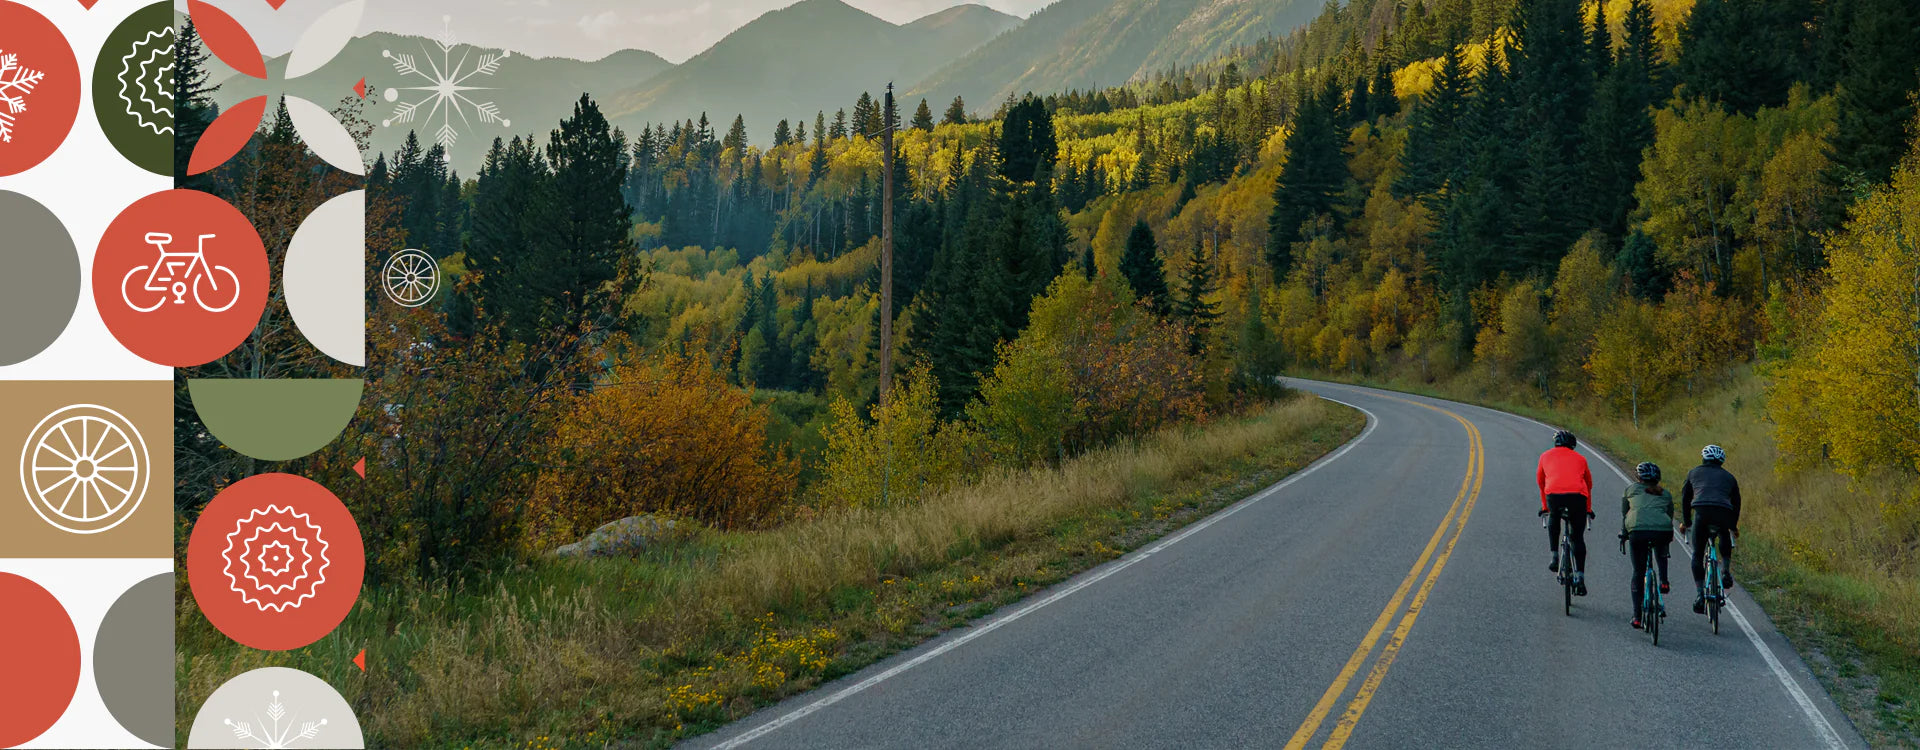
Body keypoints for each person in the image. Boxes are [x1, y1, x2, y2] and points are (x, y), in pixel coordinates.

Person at [1680, 444, 1741, 614]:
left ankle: (1700, 594)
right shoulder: (1729, 477)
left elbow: (1685, 499)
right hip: (1723, 511)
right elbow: (1736, 503)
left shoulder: (1693, 473)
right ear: (1721, 461)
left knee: (1698, 554)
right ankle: (1726, 570)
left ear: (1704, 458)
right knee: (1723, 535)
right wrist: (1733, 526)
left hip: (1701, 512)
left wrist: (1686, 522)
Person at [1537, 430, 1594, 595]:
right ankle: (1580, 577)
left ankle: (1554, 555)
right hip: (1578, 497)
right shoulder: (1581, 459)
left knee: (1554, 517)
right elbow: (1588, 485)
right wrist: (1588, 509)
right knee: (1577, 537)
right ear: (1573, 445)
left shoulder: (1545, 456)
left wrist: (1545, 506)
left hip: (1554, 495)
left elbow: (1541, 483)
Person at [1620, 461, 1674, 629]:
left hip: (1637, 531)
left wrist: (1624, 533)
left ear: (1638, 478)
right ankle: (1664, 580)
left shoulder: (1630, 490)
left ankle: (1637, 616)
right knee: (1661, 546)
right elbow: (1669, 515)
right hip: (1663, 530)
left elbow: (1625, 514)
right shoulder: (1665, 494)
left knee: (1638, 572)